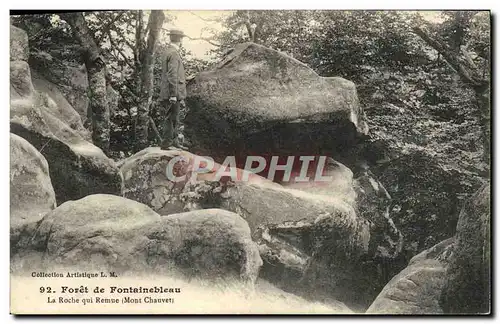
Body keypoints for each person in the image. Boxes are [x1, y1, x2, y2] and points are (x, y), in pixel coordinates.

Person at [159, 28, 187, 149]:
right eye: (181, 39)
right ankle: (166, 143)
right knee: (170, 117)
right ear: (180, 39)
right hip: (173, 92)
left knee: (174, 117)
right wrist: (173, 94)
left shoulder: (167, 51)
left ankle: (174, 142)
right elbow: (172, 74)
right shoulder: (174, 53)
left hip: (170, 91)